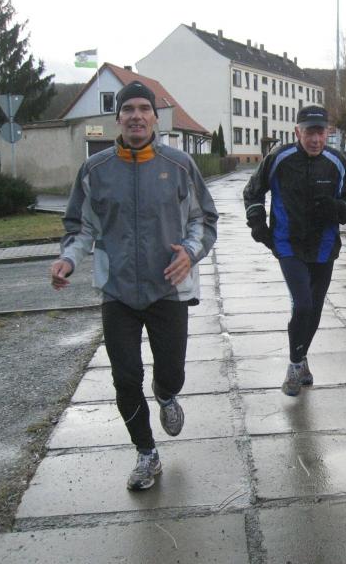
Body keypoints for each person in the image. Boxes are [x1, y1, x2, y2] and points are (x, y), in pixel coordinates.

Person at [50, 81, 218, 490]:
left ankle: (166, 394)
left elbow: (203, 219)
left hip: (169, 289)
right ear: (118, 119)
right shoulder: (96, 170)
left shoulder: (179, 165)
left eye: (144, 109)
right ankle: (146, 453)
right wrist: (68, 259)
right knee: (125, 378)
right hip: (118, 291)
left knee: (171, 373)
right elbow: (81, 226)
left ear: (156, 119)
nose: (137, 116)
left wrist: (190, 252)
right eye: (129, 109)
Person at [243, 105, 346, 397]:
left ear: (328, 132)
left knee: (315, 309)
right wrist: (257, 223)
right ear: (297, 132)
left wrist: (339, 210)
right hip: (288, 244)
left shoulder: (337, 162)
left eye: (320, 132)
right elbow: (253, 190)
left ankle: (301, 358)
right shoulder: (279, 158)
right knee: (303, 304)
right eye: (309, 132)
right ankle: (295, 365)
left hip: (324, 246)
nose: (315, 139)